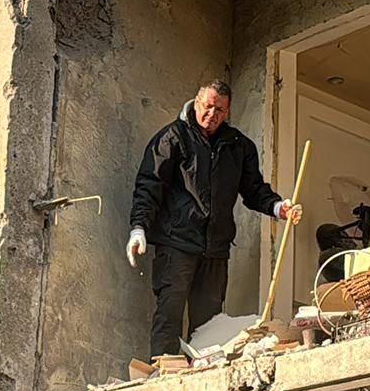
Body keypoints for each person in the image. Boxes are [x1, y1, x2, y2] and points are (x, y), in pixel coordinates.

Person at [127, 80, 302, 357]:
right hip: (176, 244)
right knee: (169, 314)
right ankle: (162, 373)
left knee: (209, 326)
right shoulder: (172, 137)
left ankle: (202, 372)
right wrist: (139, 228)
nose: (212, 114)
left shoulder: (239, 146)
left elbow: (254, 189)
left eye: (220, 110)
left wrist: (278, 207)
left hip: (216, 249)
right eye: (208, 106)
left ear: (227, 111)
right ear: (196, 102)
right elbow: (150, 185)